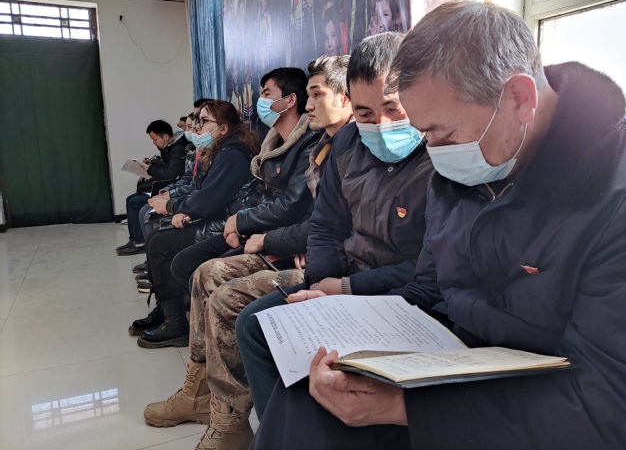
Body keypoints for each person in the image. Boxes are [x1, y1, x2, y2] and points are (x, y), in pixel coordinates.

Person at [248, 1, 626, 450]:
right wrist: (343, 313)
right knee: (309, 395)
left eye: (444, 134)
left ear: (520, 99)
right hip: (458, 368)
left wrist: (406, 409)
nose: (434, 152)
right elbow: (429, 289)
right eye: (425, 133)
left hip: (545, 408)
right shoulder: (466, 168)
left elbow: (617, 402)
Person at [141, 54, 354, 450]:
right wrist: (259, 230)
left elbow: (313, 217)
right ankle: (205, 395)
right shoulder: (323, 145)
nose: (310, 106)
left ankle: (239, 420)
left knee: (222, 292)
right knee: (201, 272)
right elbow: (319, 219)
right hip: (282, 240)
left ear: (346, 98)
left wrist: (267, 236)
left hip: (299, 250)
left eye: (317, 95)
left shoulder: (332, 145)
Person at [237, 32, 434, 421]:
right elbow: (325, 225)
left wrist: (345, 289)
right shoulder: (346, 144)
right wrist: (320, 286)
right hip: (342, 282)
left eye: (393, 109)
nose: (380, 125)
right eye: (365, 114)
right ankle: (277, 428)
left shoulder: (438, 157)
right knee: (255, 325)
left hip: (398, 297)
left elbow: (430, 270)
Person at [165, 67, 321, 301]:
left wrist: (241, 222)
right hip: (257, 225)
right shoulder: (273, 144)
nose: (261, 101)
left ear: (290, 100)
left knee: (199, 270)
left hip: (277, 232)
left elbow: (291, 205)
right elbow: (259, 195)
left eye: (267, 94)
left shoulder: (309, 144)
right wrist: (240, 223)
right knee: (184, 263)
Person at [130, 100, 260, 348]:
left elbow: (208, 199)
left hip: (228, 225)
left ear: (223, 128)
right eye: (197, 121)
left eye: (204, 121)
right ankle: (167, 310)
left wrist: (173, 206)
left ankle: (175, 322)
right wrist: (183, 209)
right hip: (218, 217)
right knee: (156, 236)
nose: (197, 127)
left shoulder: (233, 155)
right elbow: (203, 192)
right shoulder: (221, 150)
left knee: (160, 243)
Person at [117, 120, 189, 256]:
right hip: (168, 187)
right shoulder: (171, 147)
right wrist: (153, 163)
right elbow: (169, 167)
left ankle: (141, 243)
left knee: (135, 202)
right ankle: (135, 240)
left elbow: (172, 174)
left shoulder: (178, 148)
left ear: (165, 137)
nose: (154, 143)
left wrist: (150, 170)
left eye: (155, 139)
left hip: (171, 189)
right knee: (132, 199)